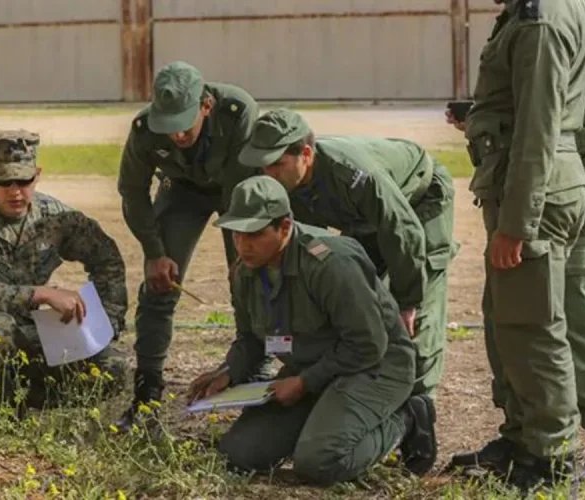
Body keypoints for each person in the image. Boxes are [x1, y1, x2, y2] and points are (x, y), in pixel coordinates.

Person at [445, 0, 585, 485]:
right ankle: (522, 434)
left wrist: (529, 145)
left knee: (568, 317)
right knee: (512, 315)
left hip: (572, 183)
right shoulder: (544, 14)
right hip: (538, 177)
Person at [187, 175, 438, 485]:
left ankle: (408, 416)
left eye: (254, 234)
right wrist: (229, 371)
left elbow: (369, 344)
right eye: (236, 234)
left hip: (376, 366)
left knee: (321, 462)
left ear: (286, 227)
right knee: (240, 454)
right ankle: (321, 422)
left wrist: (305, 382)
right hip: (313, 369)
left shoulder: (330, 264)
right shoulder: (245, 272)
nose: (243, 245)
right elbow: (251, 338)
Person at [237, 108, 458, 400]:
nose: (269, 174)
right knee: (359, 293)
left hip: (418, 201)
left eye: (277, 164)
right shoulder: (285, 183)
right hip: (364, 219)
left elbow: (402, 229)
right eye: (264, 166)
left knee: (417, 315)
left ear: (306, 153)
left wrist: (408, 302)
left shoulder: (353, 174)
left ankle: (419, 407)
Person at [0, 129, 128, 413]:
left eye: (23, 181)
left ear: (37, 175)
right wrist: (39, 294)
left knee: (113, 368)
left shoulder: (55, 217)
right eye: (4, 181)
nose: (15, 191)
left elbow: (106, 257)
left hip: (31, 329)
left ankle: (19, 399)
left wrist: (106, 321)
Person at [114, 61, 265, 430]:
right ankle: (147, 390)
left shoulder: (237, 111)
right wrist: (154, 252)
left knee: (247, 278)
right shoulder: (144, 128)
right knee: (160, 284)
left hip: (236, 191)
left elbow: (241, 192)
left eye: (185, 125)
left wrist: (241, 251)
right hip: (182, 191)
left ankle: (251, 367)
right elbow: (132, 191)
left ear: (206, 106)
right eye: (170, 128)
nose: (177, 135)